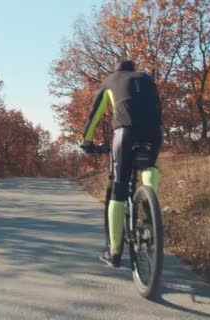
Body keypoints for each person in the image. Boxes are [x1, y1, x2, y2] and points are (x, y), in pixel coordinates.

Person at [81, 60, 164, 268]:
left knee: (119, 185)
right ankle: (150, 207)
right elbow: (157, 107)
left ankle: (114, 251)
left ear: (115, 70)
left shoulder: (110, 80)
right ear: (133, 70)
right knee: (149, 167)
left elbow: (95, 115)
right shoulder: (146, 79)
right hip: (154, 132)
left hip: (125, 133)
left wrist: (87, 141)